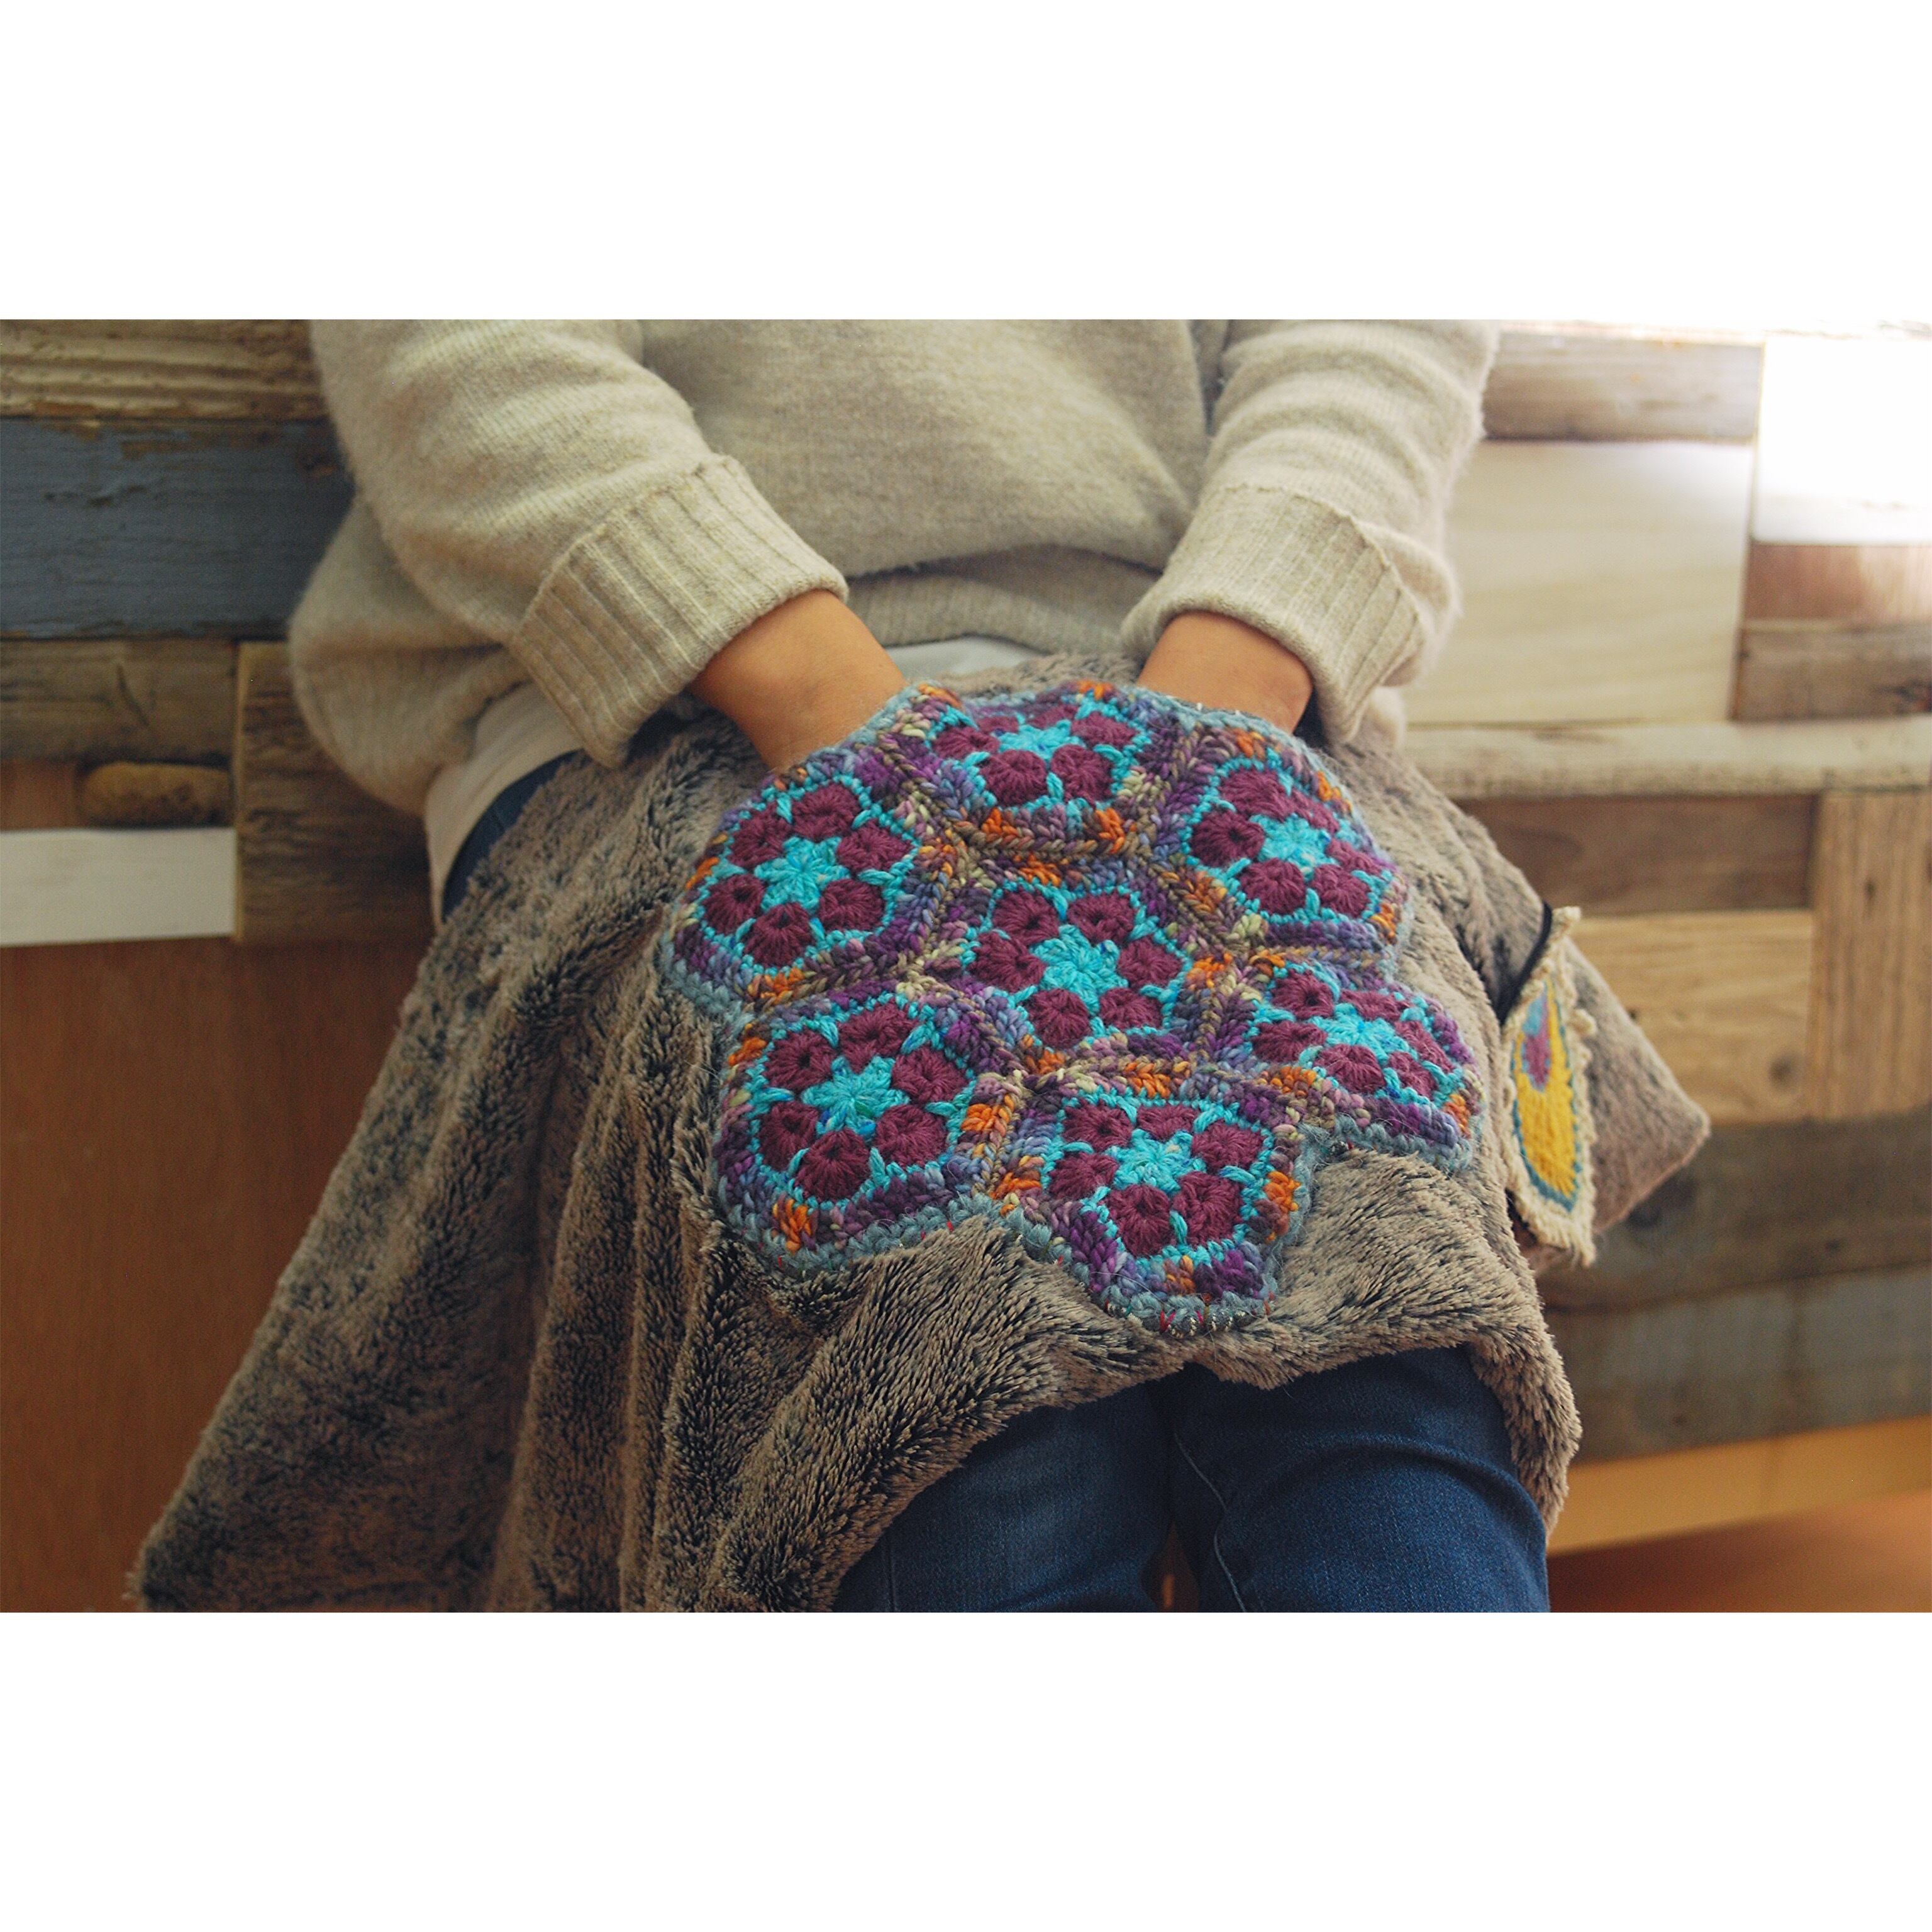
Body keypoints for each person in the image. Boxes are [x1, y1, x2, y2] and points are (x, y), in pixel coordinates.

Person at [142, 322, 1702, 1614]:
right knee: (967, 1394)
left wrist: (1197, 723)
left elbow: (1367, 331)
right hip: (677, 708)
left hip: (1219, 702)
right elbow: (472, 351)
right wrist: (872, 740)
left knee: (1392, 1340)